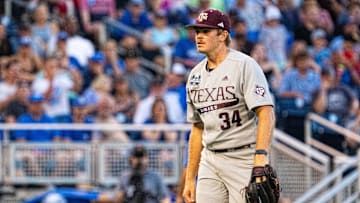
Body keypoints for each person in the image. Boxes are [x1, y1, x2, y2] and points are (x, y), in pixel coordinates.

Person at [183, 8, 275, 203]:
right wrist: (190, 178)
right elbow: (197, 128)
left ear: (223, 35)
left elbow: (266, 112)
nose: (199, 36)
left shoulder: (244, 65)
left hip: (241, 156)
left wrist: (260, 156)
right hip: (210, 159)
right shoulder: (194, 76)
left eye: (206, 31)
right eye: (197, 31)